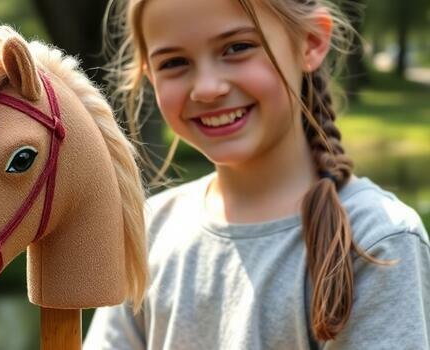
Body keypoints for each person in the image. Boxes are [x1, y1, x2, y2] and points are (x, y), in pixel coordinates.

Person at [84, 0, 430, 348]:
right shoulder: (149, 231)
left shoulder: (378, 239)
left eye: (237, 48)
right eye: (174, 63)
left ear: (310, 42)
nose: (207, 88)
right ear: (149, 75)